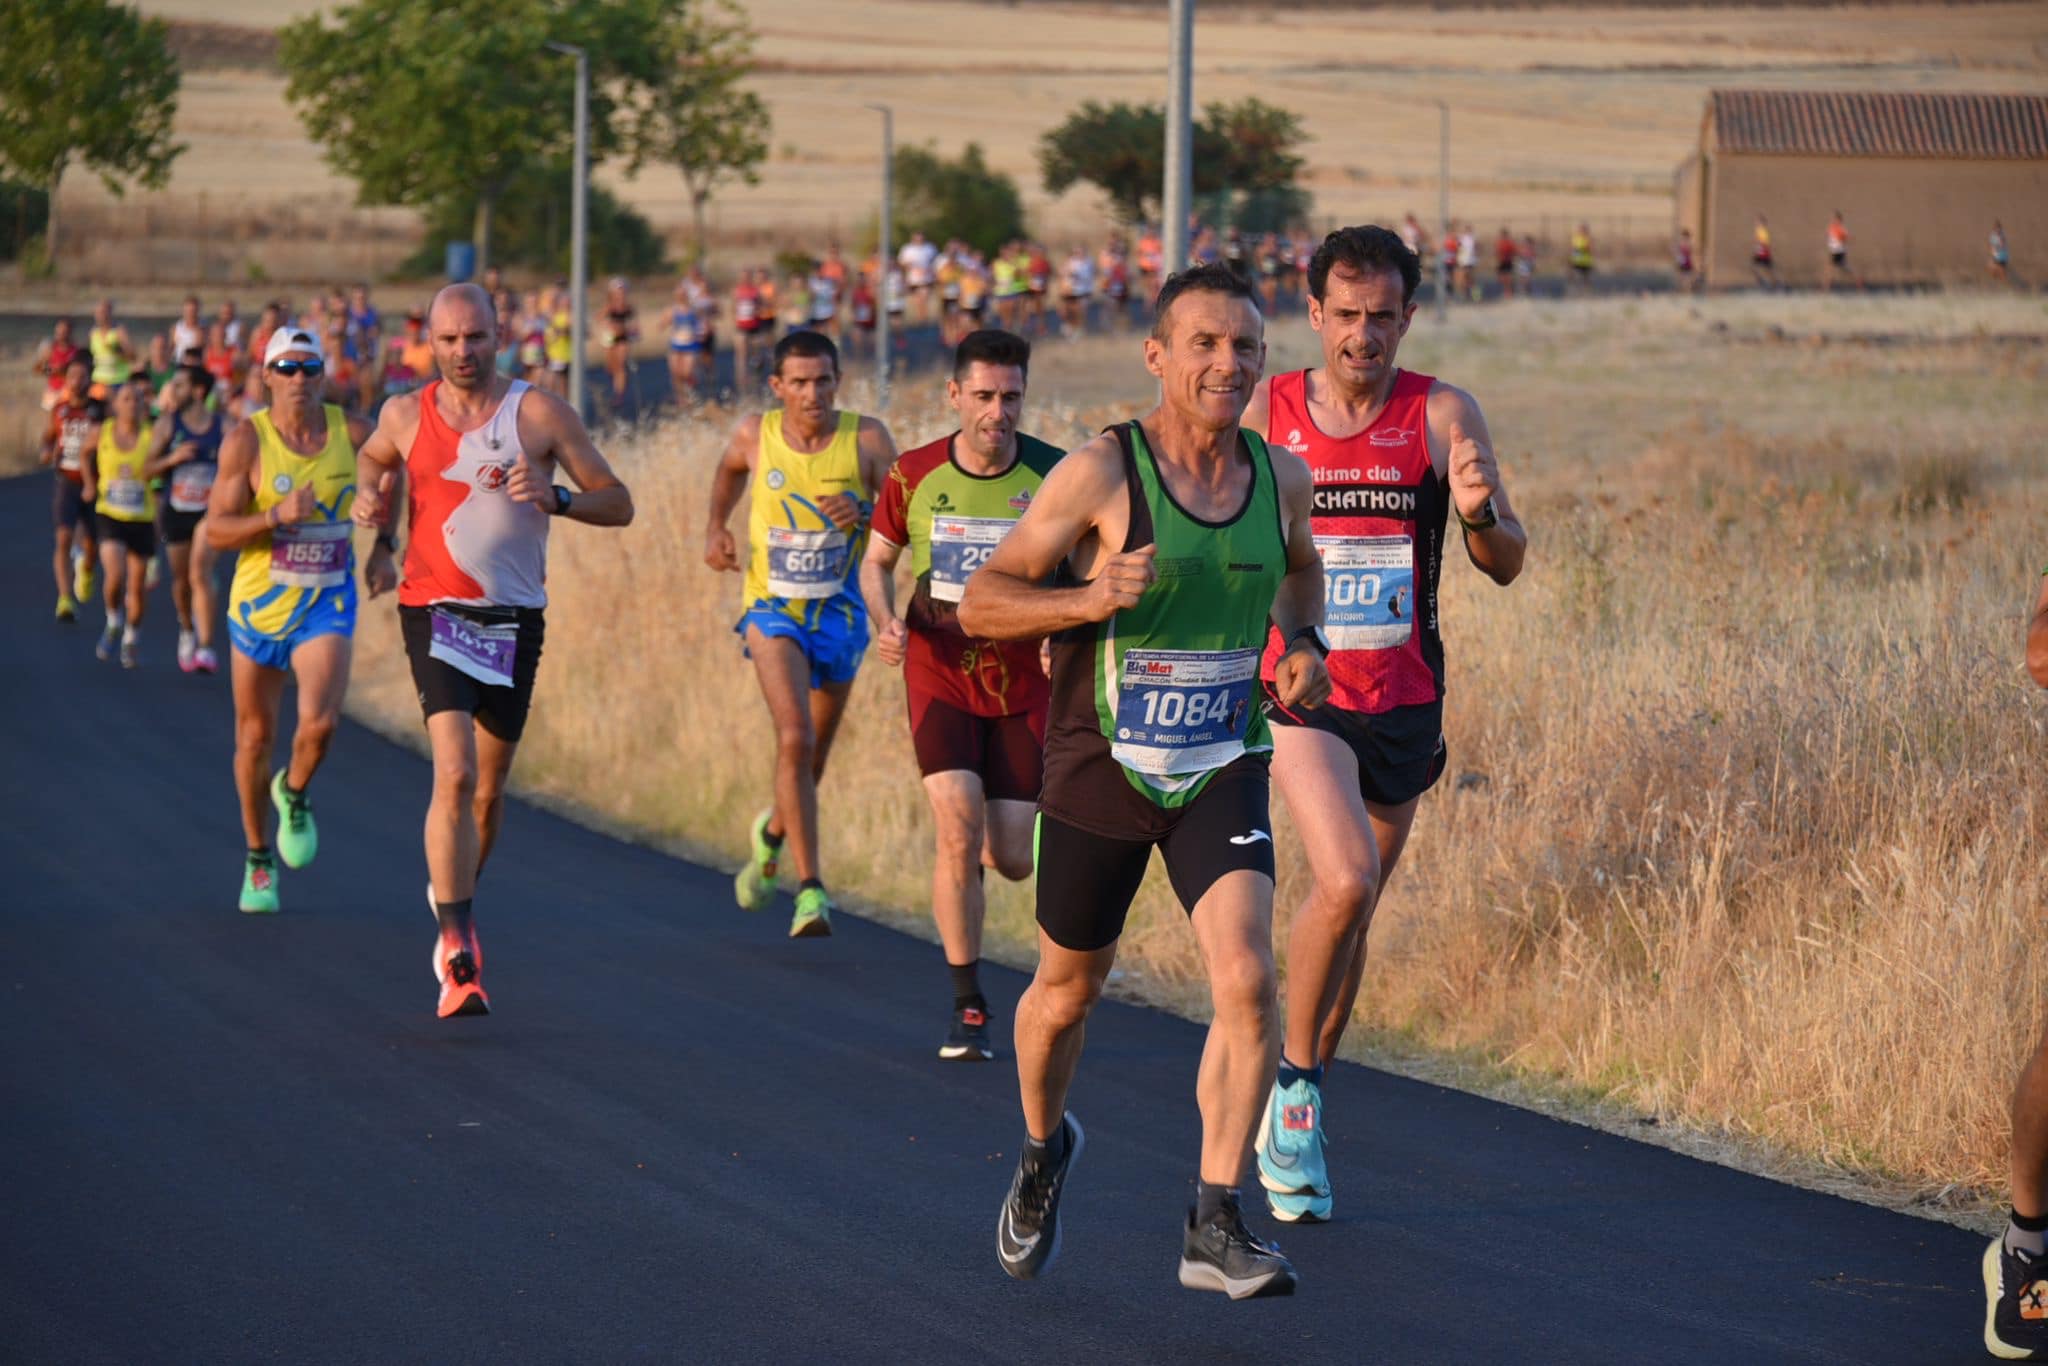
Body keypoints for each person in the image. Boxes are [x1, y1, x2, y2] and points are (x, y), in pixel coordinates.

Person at [962, 262, 1329, 1299]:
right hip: (1102, 763)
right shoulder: (1100, 474)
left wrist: (1302, 639)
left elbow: (1299, 567)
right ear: (1156, 356)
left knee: (1248, 980)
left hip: (1221, 757)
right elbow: (984, 603)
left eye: (1246, 346)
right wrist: (1084, 599)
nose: (1228, 363)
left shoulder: (1279, 476)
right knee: (1063, 994)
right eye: (1205, 344)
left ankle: (1214, 1220)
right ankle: (1040, 1151)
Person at [1238, 224, 1526, 1224]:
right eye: (1343, 316)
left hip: (1404, 698)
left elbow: (1504, 561)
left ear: (1408, 316)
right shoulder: (1267, 413)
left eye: (1381, 317)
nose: (1362, 335)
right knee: (1344, 874)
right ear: (1312, 315)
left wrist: (1483, 512)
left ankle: (1300, 1107)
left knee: (1350, 909)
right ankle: (1294, 1091)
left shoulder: (1439, 411)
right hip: (1301, 689)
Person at [353, 284, 632, 1018]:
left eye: (474, 337)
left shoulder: (537, 413)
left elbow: (619, 500)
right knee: (454, 771)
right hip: (434, 609)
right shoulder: (405, 413)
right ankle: (459, 951)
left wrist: (558, 497)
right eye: (448, 340)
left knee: (487, 790)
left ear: (498, 334)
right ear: (430, 343)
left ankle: (454, 887)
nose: (462, 353)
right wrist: (378, 529)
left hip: (513, 618)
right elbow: (372, 462)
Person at [860, 330, 1061, 1060]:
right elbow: (877, 562)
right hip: (939, 667)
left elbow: (1083, 567)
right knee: (954, 827)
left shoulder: (1056, 474)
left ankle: (979, 858)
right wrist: (885, 622)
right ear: (955, 397)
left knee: (1011, 857)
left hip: (1022, 682)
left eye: (1010, 397)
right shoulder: (914, 474)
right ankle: (968, 1003)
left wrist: (1058, 627)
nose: (997, 412)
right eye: (983, 396)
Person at [704, 331, 897, 938]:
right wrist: (715, 526)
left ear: (838, 382)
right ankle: (811, 890)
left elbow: (910, 516)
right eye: (800, 382)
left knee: (810, 759)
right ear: (778, 387)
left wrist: (866, 512)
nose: (813, 393)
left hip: (840, 615)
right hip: (772, 610)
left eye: (823, 381)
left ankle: (772, 833)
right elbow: (729, 471)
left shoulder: (866, 439)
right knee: (793, 736)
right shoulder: (753, 435)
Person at [205, 326, 392, 915]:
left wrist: (385, 540)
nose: (299, 380)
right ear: (266, 375)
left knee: (320, 726)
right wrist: (274, 516)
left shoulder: (354, 432)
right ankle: (259, 859)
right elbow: (215, 530)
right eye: (286, 368)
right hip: (259, 607)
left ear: (324, 376)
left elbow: (393, 471)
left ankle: (294, 791)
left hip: (324, 602)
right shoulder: (246, 441)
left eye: (310, 369)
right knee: (254, 738)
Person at [78, 378, 168, 668]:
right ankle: (113, 619)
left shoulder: (150, 436)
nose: (131, 404)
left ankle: (131, 637)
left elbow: (159, 473)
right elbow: (83, 453)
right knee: (114, 575)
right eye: (126, 399)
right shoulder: (101, 432)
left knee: (137, 588)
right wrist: (90, 483)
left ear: (143, 406)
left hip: (140, 519)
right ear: (116, 405)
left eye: (136, 399)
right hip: (109, 515)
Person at [151, 365, 226, 673]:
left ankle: (207, 648)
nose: (172, 392)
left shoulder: (223, 426)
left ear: (198, 391)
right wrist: (173, 458)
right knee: (182, 581)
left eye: (179, 386)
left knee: (200, 573)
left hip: (209, 514)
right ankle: (186, 627)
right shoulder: (168, 425)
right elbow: (146, 469)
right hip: (177, 511)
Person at [42, 355, 101, 623]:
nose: (77, 381)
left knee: (92, 546)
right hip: (67, 480)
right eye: (72, 376)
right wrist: (45, 450)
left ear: (90, 379)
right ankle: (64, 598)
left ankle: (87, 568)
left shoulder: (100, 410)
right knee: (63, 538)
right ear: (66, 381)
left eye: (82, 376)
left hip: (96, 483)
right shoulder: (60, 409)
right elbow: (49, 436)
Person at [665, 279, 709, 406]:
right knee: (676, 373)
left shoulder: (694, 309)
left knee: (686, 372)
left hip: (691, 345)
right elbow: (662, 324)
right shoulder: (672, 310)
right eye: (678, 294)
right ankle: (681, 398)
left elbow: (703, 323)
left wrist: (703, 332)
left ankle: (691, 388)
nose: (680, 297)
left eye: (683, 294)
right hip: (676, 344)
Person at [87, 299, 135, 401]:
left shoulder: (119, 331)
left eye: (104, 312)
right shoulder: (93, 333)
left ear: (110, 313)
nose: (102, 316)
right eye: (99, 313)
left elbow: (132, 356)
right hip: (98, 380)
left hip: (118, 380)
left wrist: (117, 350)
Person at [600, 278, 637, 411]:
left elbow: (634, 325)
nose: (620, 294)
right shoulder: (608, 307)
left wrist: (628, 330)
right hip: (610, 339)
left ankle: (619, 395)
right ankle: (616, 386)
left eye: (622, 291)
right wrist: (609, 326)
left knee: (620, 365)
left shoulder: (628, 308)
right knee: (611, 367)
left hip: (623, 339)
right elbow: (600, 319)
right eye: (617, 291)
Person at [34, 318, 82, 411]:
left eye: (64, 331)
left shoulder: (76, 351)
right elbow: (38, 370)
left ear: (70, 332)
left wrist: (65, 370)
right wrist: (51, 370)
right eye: (59, 331)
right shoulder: (50, 349)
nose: (61, 334)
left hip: (69, 393)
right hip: (52, 392)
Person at [1824, 210, 1862, 292]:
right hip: (1834, 251)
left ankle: (1826, 289)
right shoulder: (1832, 228)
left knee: (1833, 269)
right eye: (1834, 218)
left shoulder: (1841, 229)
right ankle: (1827, 288)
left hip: (1839, 251)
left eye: (1836, 219)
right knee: (1833, 269)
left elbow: (1844, 238)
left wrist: (1842, 238)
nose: (1834, 220)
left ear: (1839, 219)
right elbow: (1830, 237)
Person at [1752, 214, 1776, 290]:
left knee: (1760, 268)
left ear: (1761, 223)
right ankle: (1770, 283)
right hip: (1761, 250)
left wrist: (1759, 249)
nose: (1755, 222)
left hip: (1762, 251)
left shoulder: (1762, 231)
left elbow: (1764, 243)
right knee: (1764, 268)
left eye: (1757, 221)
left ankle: (1770, 284)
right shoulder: (1759, 230)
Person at [1568, 223, 1594, 294]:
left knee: (1586, 278)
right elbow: (1572, 249)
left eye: (1583, 230)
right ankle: (1574, 290)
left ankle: (1586, 291)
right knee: (1574, 276)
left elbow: (1590, 249)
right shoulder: (1575, 238)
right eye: (1581, 230)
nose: (1582, 231)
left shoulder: (1588, 239)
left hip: (1585, 261)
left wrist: (1582, 249)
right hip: (1576, 261)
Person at [1674, 227, 1699, 294]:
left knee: (1690, 279)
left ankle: (1688, 290)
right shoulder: (1682, 244)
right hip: (1683, 264)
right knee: (1683, 280)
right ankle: (1685, 290)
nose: (1685, 239)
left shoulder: (1689, 244)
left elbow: (1692, 253)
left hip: (1688, 264)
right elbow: (1678, 255)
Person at [1991, 221, 2013, 287]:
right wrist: (1993, 251)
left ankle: (2005, 285)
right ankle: (1998, 283)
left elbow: (2002, 244)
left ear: (2000, 228)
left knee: (2002, 272)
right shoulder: (1993, 235)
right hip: (1996, 256)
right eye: (1996, 228)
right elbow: (1991, 245)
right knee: (1993, 268)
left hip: (2003, 257)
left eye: (1998, 228)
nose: (1997, 229)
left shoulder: (2002, 235)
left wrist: (1997, 247)